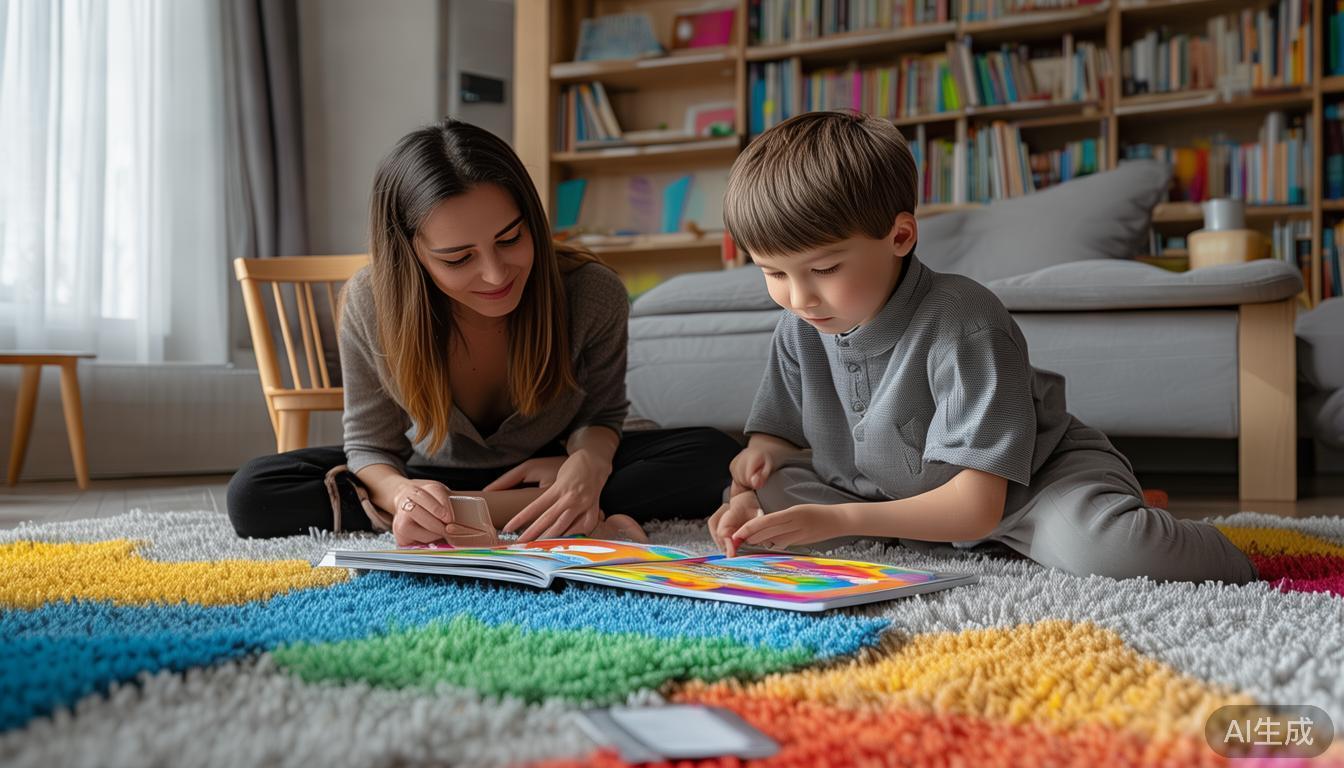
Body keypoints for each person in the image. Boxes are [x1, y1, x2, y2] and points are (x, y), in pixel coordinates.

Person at [707, 111, 1256, 584]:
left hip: (1027, 490)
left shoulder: (962, 319)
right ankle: (907, 531)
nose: (799, 297)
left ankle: (1222, 547)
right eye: (773, 272)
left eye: (824, 269)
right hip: (885, 494)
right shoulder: (800, 324)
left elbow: (977, 506)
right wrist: (751, 479)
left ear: (900, 237)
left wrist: (843, 523)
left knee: (1113, 551)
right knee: (773, 500)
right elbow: (773, 438)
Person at [228, 118, 738, 545]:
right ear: (411, 255)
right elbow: (370, 448)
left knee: (713, 456)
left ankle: (516, 508)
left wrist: (588, 465)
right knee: (255, 492)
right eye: (458, 258)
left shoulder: (591, 292)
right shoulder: (371, 301)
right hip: (433, 475)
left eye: (510, 238)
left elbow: (602, 414)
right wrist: (406, 496)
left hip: (553, 464)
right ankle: (545, 513)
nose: (496, 275)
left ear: (531, 221)